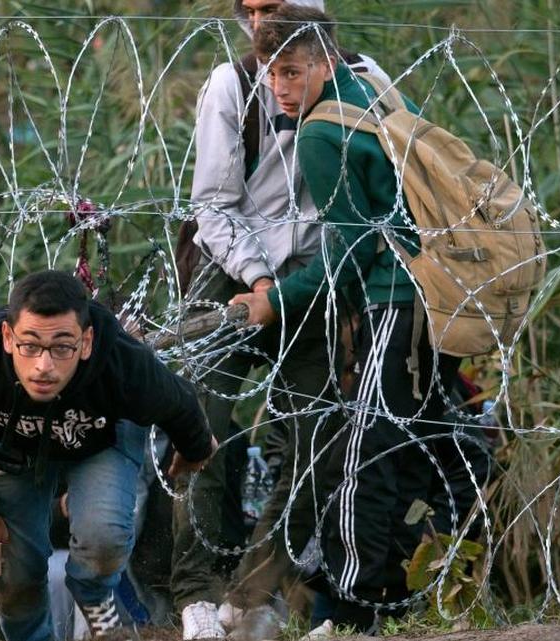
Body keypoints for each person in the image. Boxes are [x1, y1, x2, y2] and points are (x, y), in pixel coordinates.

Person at [233, 5, 462, 634]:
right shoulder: (367, 92)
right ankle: (406, 583)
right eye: (268, 72)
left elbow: (352, 248)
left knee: (367, 447)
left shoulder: (318, 132)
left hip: (398, 294)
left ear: (325, 61)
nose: (279, 86)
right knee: (413, 439)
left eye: (291, 71)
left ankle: (355, 600)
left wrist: (273, 299)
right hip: (438, 290)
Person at [172, 1, 387, 638]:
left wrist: (308, 290)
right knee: (199, 428)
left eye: (273, 5)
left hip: (319, 275)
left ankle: (257, 589)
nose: (258, 17)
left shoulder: (365, 79)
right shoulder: (234, 82)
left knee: (314, 437)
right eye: (252, 8)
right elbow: (213, 204)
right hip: (232, 270)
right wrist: (262, 282)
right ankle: (197, 593)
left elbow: (380, 185)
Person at [0, 270, 218, 641]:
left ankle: (94, 592)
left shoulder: (120, 360)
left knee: (104, 538)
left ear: (86, 342)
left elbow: (179, 403)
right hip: (10, 449)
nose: (43, 367)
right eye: (29, 346)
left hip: (100, 440)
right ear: (7, 337)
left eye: (62, 347)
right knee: (13, 573)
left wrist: (194, 449)